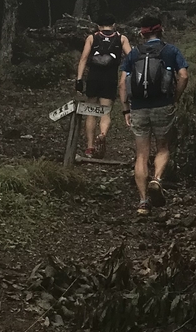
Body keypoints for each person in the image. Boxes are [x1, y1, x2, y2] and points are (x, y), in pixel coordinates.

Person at [118, 15, 189, 216]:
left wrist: (126, 109)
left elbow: (122, 83)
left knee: (141, 154)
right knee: (163, 147)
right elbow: (184, 76)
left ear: (142, 33)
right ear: (161, 30)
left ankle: (143, 202)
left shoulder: (133, 53)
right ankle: (157, 179)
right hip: (163, 105)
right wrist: (175, 98)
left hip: (138, 107)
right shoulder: (170, 50)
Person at [75, 17, 131, 158]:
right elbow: (131, 58)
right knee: (105, 112)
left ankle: (90, 147)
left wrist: (79, 79)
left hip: (93, 78)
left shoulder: (92, 38)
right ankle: (102, 135)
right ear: (114, 25)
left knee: (91, 112)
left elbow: (83, 58)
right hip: (110, 78)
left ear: (98, 26)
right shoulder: (121, 38)